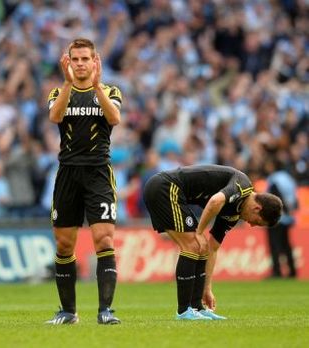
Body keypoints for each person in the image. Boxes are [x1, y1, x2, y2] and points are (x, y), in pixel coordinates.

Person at [45, 38, 122, 325]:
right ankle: (68, 312)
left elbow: (114, 118)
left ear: (94, 61)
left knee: (104, 239)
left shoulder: (110, 91)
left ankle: (106, 310)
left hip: (99, 172)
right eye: (74, 59)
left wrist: (98, 86)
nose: (79, 64)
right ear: (68, 62)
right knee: (64, 245)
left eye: (84, 59)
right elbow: (55, 117)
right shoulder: (57, 92)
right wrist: (67, 84)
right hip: (68, 173)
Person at [143, 164, 282, 320]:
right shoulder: (242, 186)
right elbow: (215, 201)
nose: (252, 225)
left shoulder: (234, 213)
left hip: (171, 192)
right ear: (257, 208)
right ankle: (183, 311)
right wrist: (199, 232)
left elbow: (213, 248)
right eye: (257, 222)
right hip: (165, 186)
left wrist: (207, 288)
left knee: (202, 248)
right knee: (193, 245)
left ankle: (197, 307)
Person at [265, 158, 298, 278]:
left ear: (273, 165)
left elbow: (275, 196)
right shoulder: (288, 179)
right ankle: (292, 271)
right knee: (286, 245)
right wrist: (291, 211)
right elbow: (295, 198)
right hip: (288, 217)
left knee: (275, 245)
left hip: (276, 217)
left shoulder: (274, 179)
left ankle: (277, 271)